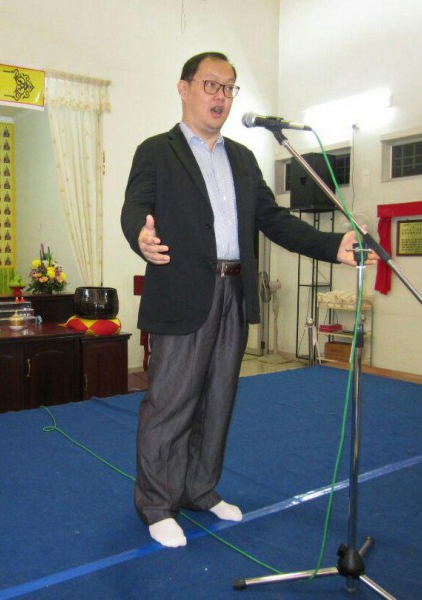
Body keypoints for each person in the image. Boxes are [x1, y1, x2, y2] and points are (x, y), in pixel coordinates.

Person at [120, 51, 376, 548]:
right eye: (210, 85)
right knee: (171, 403)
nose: (220, 96)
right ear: (184, 88)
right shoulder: (156, 151)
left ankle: (199, 489)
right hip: (184, 292)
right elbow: (135, 207)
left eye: (228, 87)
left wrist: (332, 245)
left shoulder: (241, 158)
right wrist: (140, 236)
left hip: (234, 292)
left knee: (218, 399)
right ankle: (157, 503)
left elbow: (274, 220)